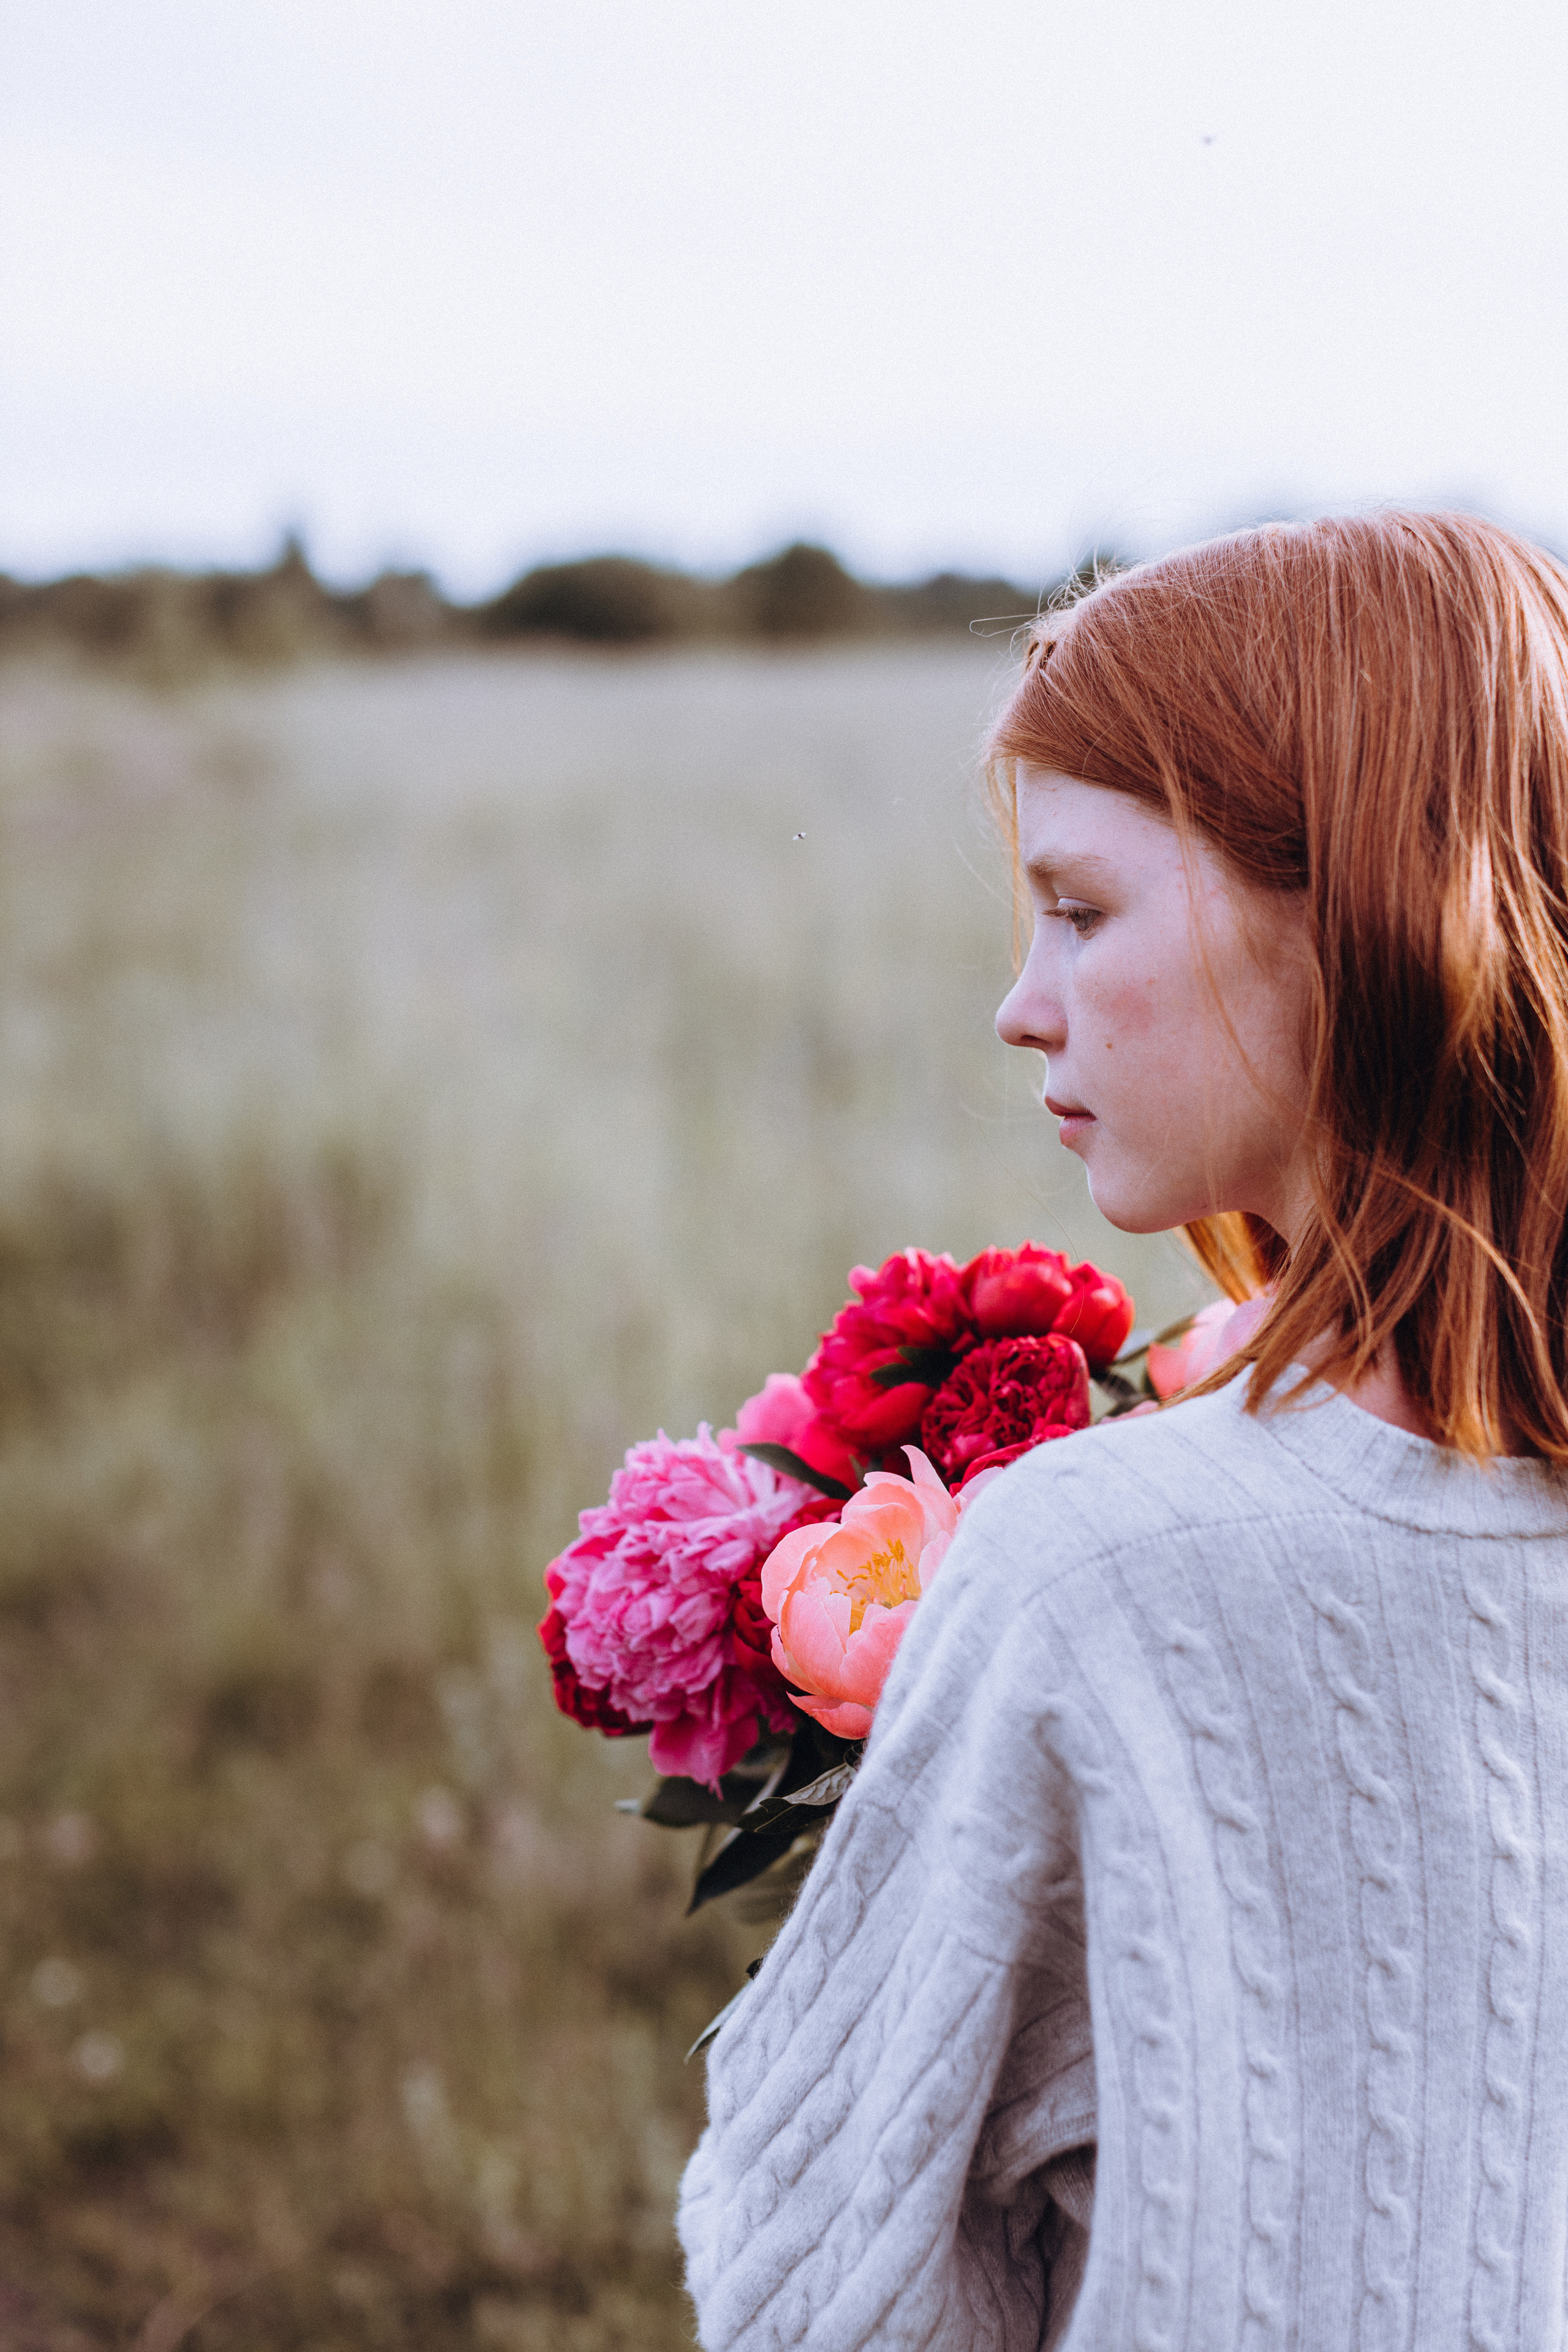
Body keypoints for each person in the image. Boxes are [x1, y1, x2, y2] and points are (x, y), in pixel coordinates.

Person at [677, 513, 1568, 2350]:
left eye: (1083, 909)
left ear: (1365, 909)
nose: (1024, 1005)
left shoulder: (1103, 1574)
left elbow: (827, 2277)